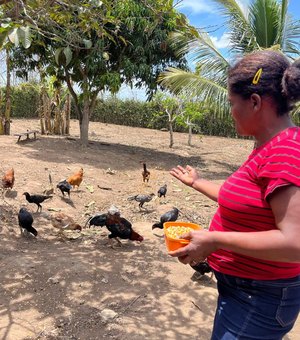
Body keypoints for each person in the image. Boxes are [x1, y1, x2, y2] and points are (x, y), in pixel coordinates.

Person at [169, 50, 300, 339]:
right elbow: (248, 202)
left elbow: (295, 243)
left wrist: (214, 239)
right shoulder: (267, 146)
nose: (230, 112)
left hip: (259, 297)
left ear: (254, 102)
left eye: (231, 103)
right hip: (244, 289)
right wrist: (197, 182)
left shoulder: (286, 151)